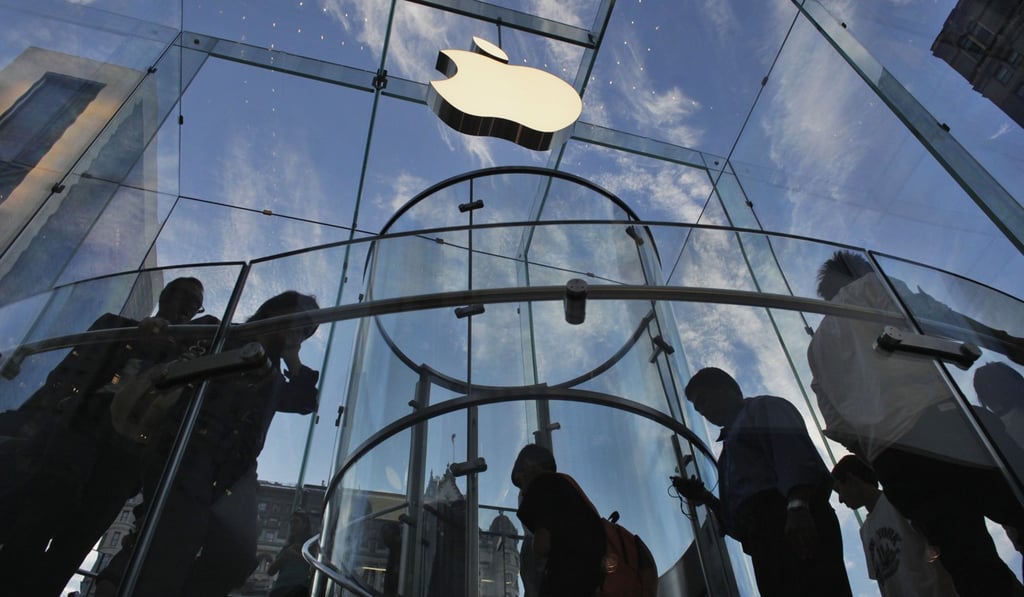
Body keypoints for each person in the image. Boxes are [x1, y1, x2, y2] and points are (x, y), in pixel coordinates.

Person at [807, 250, 1024, 597]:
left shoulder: (816, 349)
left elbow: (838, 426)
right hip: (939, 424)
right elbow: (933, 315)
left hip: (895, 462)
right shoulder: (870, 287)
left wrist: (879, 453)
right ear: (859, 270)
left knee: (970, 564)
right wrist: (1003, 340)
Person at [96, 290, 321, 597]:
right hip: (189, 445)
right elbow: (164, 352)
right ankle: (122, 584)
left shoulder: (275, 374)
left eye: (307, 330)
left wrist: (293, 357)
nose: (300, 332)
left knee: (236, 557)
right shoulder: (226, 336)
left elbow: (306, 401)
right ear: (276, 311)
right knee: (171, 534)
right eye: (299, 321)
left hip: (236, 470)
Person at [0, 276, 210, 596]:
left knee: (78, 540)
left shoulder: (186, 349)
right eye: (183, 298)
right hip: (83, 428)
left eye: (194, 306)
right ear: (166, 295)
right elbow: (68, 373)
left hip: (127, 453)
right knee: (42, 511)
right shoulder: (117, 325)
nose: (186, 309)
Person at [673, 367, 851, 597]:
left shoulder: (763, 408)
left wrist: (798, 505)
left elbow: (792, 453)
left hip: (791, 521)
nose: (704, 411)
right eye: (698, 408)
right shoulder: (727, 452)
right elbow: (740, 517)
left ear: (728, 389)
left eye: (704, 400)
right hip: (766, 539)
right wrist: (706, 497)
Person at [831, 454, 958, 597]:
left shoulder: (897, 501)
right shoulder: (864, 531)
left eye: (839, 489)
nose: (840, 499)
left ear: (851, 479)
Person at [511, 444, 606, 597]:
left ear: (529, 465)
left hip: (567, 583)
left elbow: (542, 546)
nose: (523, 491)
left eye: (521, 481)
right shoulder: (570, 489)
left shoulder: (542, 486)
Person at [268, 511, 314, 597]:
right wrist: (285, 556)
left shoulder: (311, 545)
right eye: (291, 522)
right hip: (279, 589)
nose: (292, 525)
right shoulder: (287, 547)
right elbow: (270, 571)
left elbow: (315, 564)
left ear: (305, 524)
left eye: (296, 521)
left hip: (299, 588)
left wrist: (297, 555)